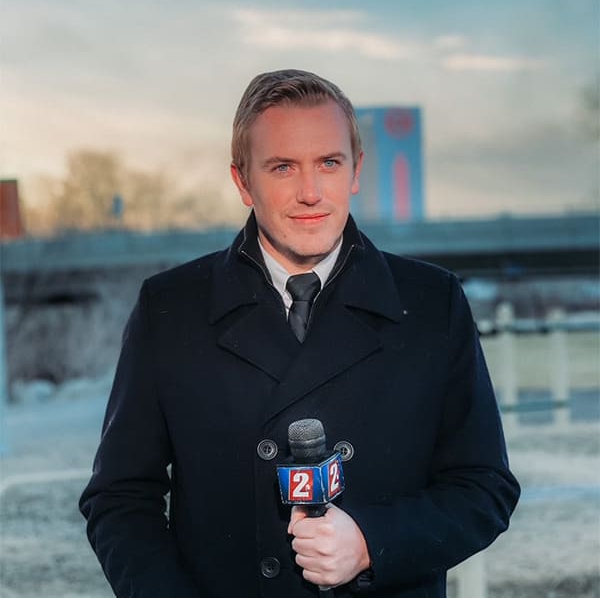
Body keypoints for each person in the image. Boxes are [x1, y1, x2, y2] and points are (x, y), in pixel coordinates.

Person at [80, 69, 520, 597]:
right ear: (244, 181)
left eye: (329, 163)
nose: (310, 192)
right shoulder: (170, 308)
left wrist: (368, 543)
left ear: (356, 170)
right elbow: (121, 498)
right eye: (283, 167)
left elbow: (483, 488)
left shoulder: (431, 302)